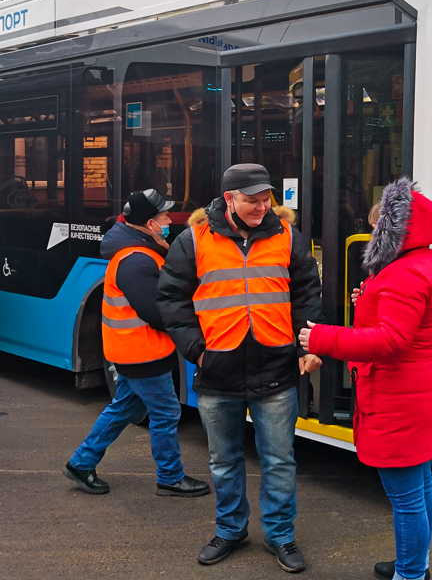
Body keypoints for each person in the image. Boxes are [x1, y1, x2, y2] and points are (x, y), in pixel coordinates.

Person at [157, 163, 323, 573]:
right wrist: (197, 350)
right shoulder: (194, 238)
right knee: (223, 460)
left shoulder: (286, 234)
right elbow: (171, 298)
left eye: (266, 199)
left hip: (276, 366)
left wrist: (306, 341)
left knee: (279, 460)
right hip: (218, 369)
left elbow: (306, 290)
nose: (262, 207)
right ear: (229, 199)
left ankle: (280, 535)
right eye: (252, 200)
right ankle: (231, 529)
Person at [300, 178, 432, 580]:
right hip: (423, 391)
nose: (371, 235)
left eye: (376, 227)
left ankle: (410, 574)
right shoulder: (428, 262)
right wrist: (368, 300)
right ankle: (416, 563)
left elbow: (392, 341)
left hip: (398, 398)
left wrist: (322, 337)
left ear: (395, 231)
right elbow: (406, 320)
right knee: (421, 486)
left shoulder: (404, 274)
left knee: (406, 499)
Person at [64, 189, 210, 499]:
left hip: (132, 350)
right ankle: (170, 477)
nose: (170, 221)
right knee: (167, 413)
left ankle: (81, 462)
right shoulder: (136, 260)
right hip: (143, 354)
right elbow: (157, 313)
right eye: (164, 217)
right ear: (149, 223)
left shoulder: (139, 252)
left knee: (122, 408)